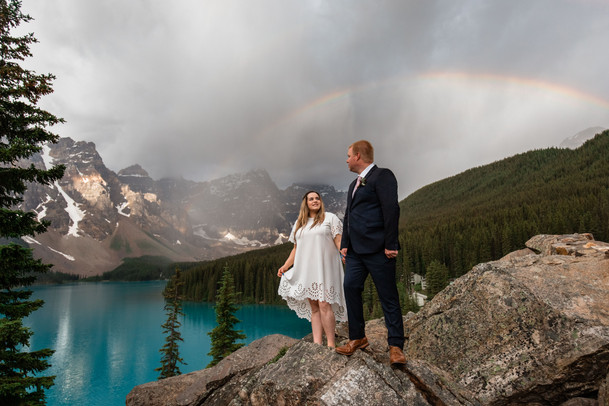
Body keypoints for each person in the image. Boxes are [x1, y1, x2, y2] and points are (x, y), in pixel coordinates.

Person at [335, 140, 406, 365]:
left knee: (388, 296)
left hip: (378, 250)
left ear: (357, 156)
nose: (346, 160)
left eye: (348, 155)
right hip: (355, 252)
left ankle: (395, 346)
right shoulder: (352, 185)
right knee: (350, 287)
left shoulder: (383, 176)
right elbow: (349, 216)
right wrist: (345, 244)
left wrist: (391, 244)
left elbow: (391, 209)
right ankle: (358, 337)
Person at [277, 190, 347, 348]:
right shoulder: (299, 223)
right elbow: (296, 249)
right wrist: (285, 266)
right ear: (306, 203)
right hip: (307, 269)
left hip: (325, 268)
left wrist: (344, 254)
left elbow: (339, 241)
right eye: (311, 199)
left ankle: (331, 344)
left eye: (317, 198)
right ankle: (317, 344)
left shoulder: (330, 218)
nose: (315, 201)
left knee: (324, 304)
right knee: (314, 307)